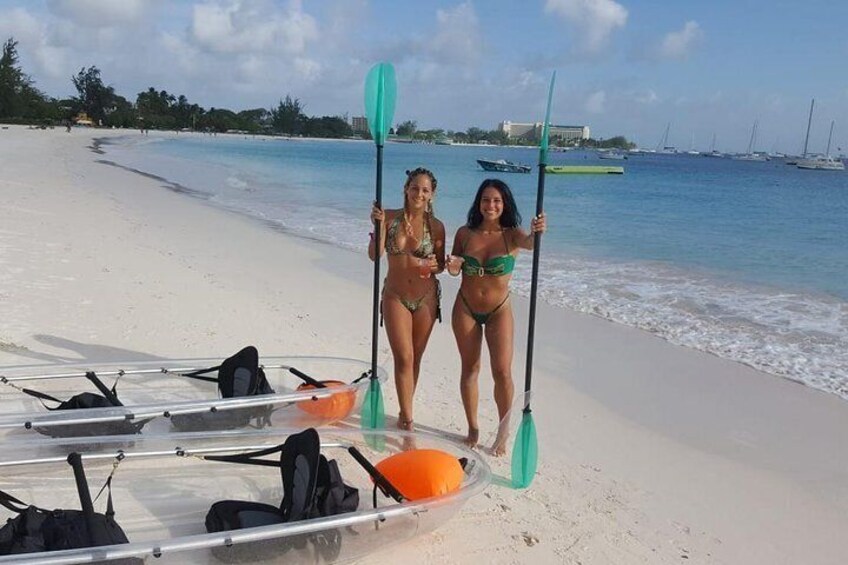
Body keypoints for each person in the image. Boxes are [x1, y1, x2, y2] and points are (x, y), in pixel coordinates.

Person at [445, 178, 546, 455]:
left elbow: (530, 244)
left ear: (505, 205)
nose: (491, 205)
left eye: (497, 201)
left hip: (499, 309)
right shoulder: (464, 233)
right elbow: (453, 269)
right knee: (470, 369)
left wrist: (538, 231)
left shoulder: (512, 234)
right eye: (486, 200)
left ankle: (503, 430)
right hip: (465, 307)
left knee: (502, 372)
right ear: (479, 203)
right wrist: (452, 265)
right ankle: (473, 427)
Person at [369, 168, 446, 432]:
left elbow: (440, 265)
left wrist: (437, 265)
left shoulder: (436, 227)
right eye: (415, 188)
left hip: (426, 298)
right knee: (404, 357)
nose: (419, 194)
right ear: (406, 188)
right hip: (395, 296)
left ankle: (405, 408)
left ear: (432, 195)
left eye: (425, 190)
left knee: (416, 358)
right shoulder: (388, 218)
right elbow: (374, 255)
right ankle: (408, 424)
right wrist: (378, 227)